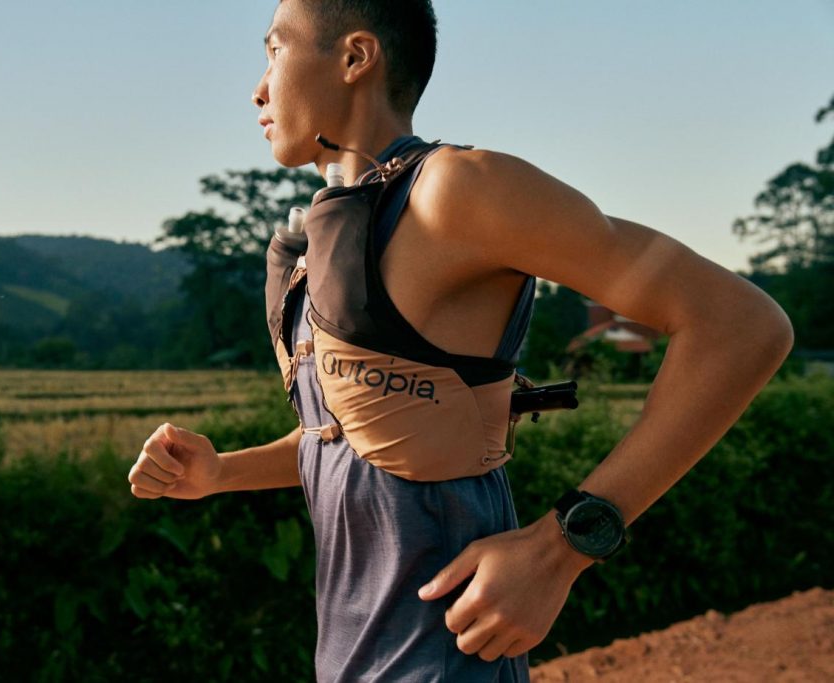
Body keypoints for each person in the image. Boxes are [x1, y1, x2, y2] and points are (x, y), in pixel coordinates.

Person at [128, 1, 795, 680]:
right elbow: (367, 434)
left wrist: (559, 549)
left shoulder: (457, 190)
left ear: (355, 57)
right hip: (351, 659)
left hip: (447, 657)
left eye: (275, 51)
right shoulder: (328, 240)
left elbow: (741, 325)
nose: (258, 88)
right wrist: (222, 472)